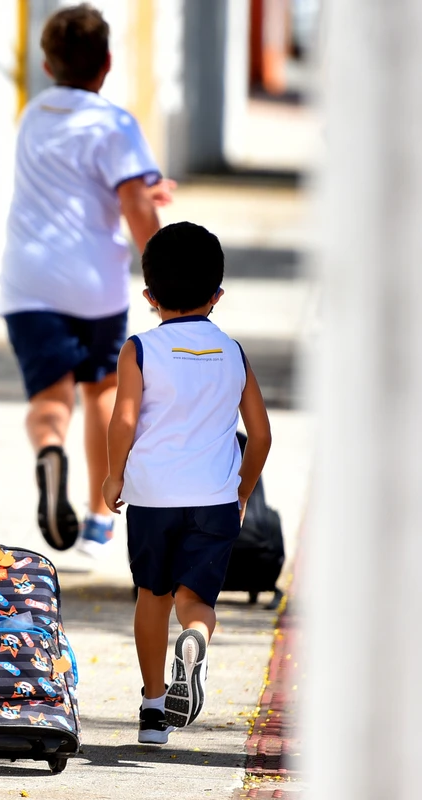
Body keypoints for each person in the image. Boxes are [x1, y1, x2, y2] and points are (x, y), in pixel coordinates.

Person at [0, 3, 174, 557]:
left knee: (50, 396)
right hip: (93, 281)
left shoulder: (33, 115)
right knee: (102, 389)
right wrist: (165, 274)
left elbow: (78, 181)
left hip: (29, 281)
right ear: (108, 63)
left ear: (47, 66)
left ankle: (49, 449)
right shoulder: (113, 123)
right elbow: (134, 204)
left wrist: (137, 188)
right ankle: (101, 518)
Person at [102, 222, 272, 743]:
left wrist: (113, 476)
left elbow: (123, 421)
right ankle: (195, 637)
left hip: (153, 497)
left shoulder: (139, 350)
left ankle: (154, 711)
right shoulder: (233, 353)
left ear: (149, 297)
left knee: (152, 595)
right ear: (217, 295)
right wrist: (241, 492)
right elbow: (261, 436)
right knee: (195, 600)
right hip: (214, 499)